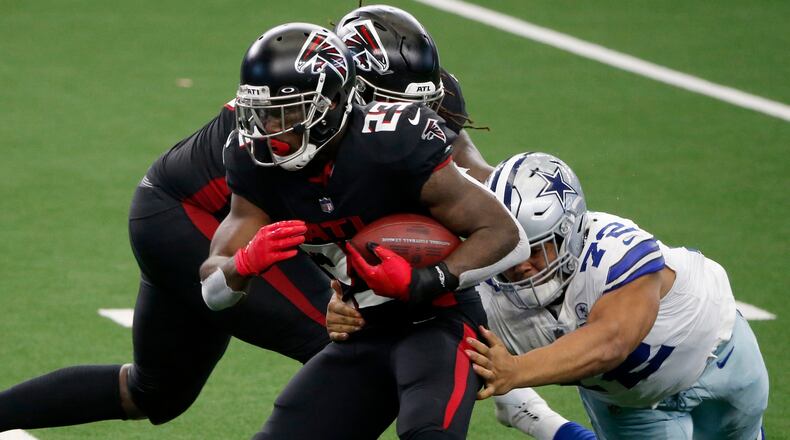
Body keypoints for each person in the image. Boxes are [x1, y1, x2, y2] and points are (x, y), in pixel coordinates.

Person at [0, 5, 495, 434]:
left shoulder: (408, 98)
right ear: (346, 93)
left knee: (155, 393)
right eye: (390, 105)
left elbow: (470, 174)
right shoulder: (285, 116)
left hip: (227, 220)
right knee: (351, 339)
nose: (409, 119)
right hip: (197, 222)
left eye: (419, 105)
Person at [200, 22, 530, 440]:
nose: (272, 129)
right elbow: (212, 291)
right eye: (263, 113)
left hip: (441, 322)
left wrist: (425, 279)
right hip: (362, 328)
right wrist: (242, 266)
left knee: (429, 433)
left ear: (334, 103)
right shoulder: (255, 163)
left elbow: (506, 234)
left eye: (290, 111)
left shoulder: (391, 140)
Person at [465, 152, 769, 439]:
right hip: (630, 405)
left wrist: (516, 371)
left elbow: (612, 341)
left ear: (567, 232)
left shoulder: (614, 251)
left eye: (534, 248)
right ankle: (527, 412)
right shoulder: (488, 293)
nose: (519, 264)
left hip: (719, 358)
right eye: (510, 247)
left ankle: (530, 414)